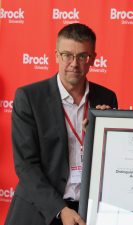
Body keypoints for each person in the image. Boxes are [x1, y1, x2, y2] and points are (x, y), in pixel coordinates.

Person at [5, 23, 118, 225]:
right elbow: (26, 166)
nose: (74, 63)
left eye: (82, 56)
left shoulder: (107, 98)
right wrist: (60, 209)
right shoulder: (29, 97)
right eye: (67, 55)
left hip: (87, 213)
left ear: (93, 59)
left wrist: (107, 133)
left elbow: (112, 161)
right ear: (56, 55)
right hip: (40, 211)